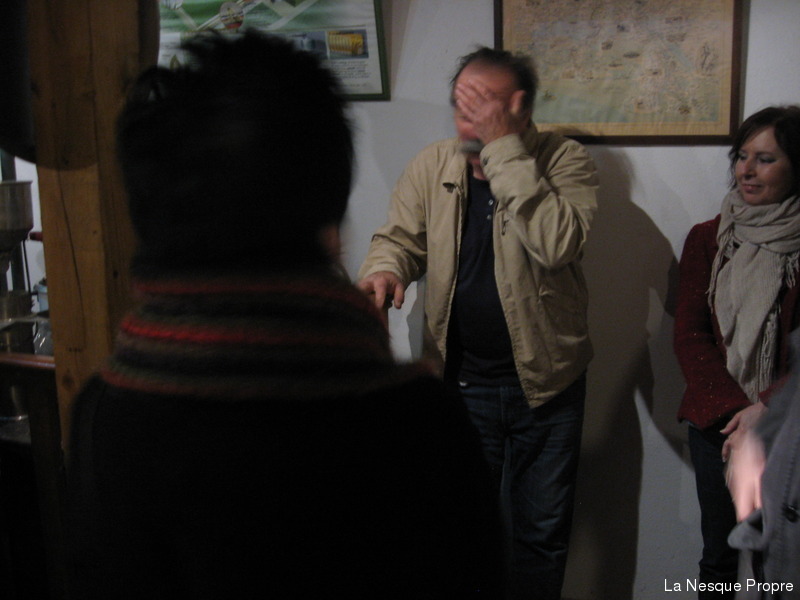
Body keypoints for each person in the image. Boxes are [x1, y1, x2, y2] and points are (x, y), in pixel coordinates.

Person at [65, 30, 504, 599]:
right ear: (330, 219)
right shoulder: (418, 425)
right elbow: (398, 238)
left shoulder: (105, 413)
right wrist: (385, 267)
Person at [357, 46, 599, 600]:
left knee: (542, 537)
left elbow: (558, 244)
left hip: (548, 387)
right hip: (459, 384)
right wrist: (384, 270)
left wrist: (503, 151)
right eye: (461, 103)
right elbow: (399, 239)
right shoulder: (432, 164)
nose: (468, 117)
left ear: (519, 108)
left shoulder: (565, 161)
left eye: (483, 104)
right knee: (456, 534)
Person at [674, 105, 800, 598]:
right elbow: (690, 335)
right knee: (720, 557)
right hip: (718, 425)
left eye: (765, 159)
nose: (746, 170)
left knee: (785, 557)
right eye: (742, 157)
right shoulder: (708, 239)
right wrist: (737, 414)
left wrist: (765, 408)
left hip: (789, 425)